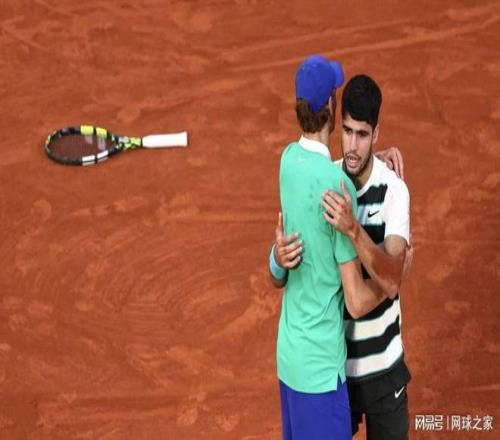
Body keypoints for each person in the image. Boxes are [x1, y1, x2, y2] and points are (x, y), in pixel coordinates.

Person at [272, 74, 412, 439]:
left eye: (362, 135)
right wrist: (276, 257)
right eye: (347, 131)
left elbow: (391, 272)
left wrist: (354, 229)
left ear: (376, 134)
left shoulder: (394, 191)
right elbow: (387, 283)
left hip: (383, 370)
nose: (351, 145)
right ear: (337, 122)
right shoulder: (329, 181)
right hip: (337, 372)